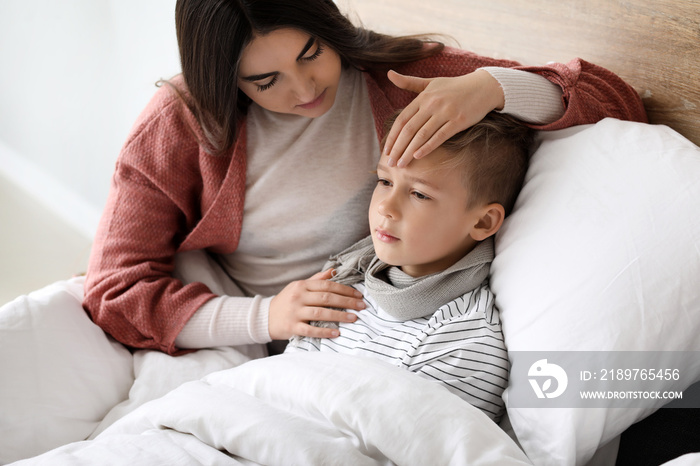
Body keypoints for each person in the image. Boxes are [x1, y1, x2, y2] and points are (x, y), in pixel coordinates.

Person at [83, 0, 647, 356]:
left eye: (312, 54)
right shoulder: (178, 126)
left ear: (328, 27)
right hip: (274, 339)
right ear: (225, 80)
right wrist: (266, 317)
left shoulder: (397, 76)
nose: (305, 90)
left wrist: (496, 88)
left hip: (402, 328)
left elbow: (618, 103)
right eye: (266, 81)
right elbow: (113, 288)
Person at [285, 111, 532, 421]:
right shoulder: (343, 281)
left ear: (482, 221)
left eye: (419, 193)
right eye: (385, 181)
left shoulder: (464, 339)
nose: (385, 207)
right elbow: (279, 390)